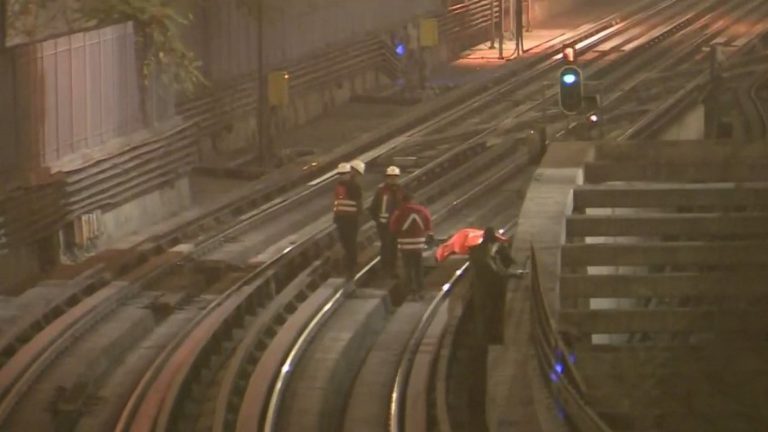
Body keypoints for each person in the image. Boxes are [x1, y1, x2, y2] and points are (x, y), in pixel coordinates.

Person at [467, 227, 526, 345]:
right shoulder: (483, 256)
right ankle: (485, 342)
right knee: (485, 316)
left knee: (485, 316)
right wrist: (514, 273)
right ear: (490, 243)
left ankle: (487, 339)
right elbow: (496, 271)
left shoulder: (482, 251)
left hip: (483, 289)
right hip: (484, 290)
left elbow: (503, 264)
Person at [389, 193, 433, 298]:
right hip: (418, 245)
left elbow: (393, 228)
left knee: (407, 268)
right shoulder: (422, 210)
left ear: (402, 201)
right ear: (413, 199)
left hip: (405, 245)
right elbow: (428, 225)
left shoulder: (399, 212)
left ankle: (409, 292)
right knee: (418, 268)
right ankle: (420, 290)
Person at [368, 166, 405, 278]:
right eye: (390, 177)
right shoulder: (381, 191)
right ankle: (386, 269)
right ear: (386, 178)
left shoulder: (401, 191)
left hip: (397, 225)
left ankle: (393, 269)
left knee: (394, 247)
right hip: (384, 225)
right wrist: (379, 220)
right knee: (386, 246)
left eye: (395, 177)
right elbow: (373, 208)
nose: (393, 180)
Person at [333, 161, 364, 280]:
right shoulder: (339, 186)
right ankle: (350, 265)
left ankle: (351, 267)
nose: (342, 176)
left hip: (351, 219)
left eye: (344, 174)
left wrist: (358, 216)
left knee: (350, 243)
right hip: (342, 219)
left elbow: (358, 203)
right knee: (346, 243)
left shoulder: (353, 186)